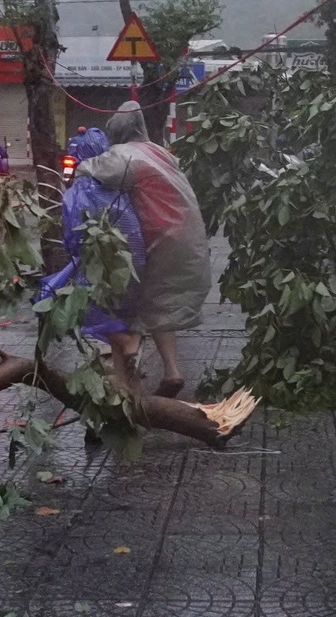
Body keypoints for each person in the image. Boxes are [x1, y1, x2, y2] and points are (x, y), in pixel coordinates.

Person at [77, 101, 210, 397]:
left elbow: (90, 171)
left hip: (157, 235)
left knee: (131, 306)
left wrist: (81, 161)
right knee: (160, 305)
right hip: (187, 235)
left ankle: (127, 380)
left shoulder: (123, 155)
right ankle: (172, 372)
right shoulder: (160, 152)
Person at [33, 128, 144, 342]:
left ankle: (128, 343)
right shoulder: (118, 182)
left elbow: (75, 240)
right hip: (135, 264)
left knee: (69, 305)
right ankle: (125, 358)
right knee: (120, 313)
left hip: (103, 266)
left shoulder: (82, 190)